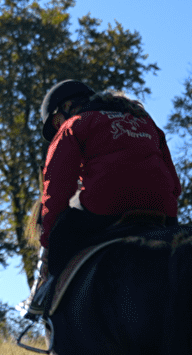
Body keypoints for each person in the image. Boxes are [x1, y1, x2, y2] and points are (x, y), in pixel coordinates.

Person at [23, 79, 181, 319]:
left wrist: (48, 242)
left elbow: (56, 192)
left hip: (105, 205)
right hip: (161, 208)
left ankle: (43, 296)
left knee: (60, 234)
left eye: (56, 123)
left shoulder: (74, 125)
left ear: (65, 109)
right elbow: (175, 184)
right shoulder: (145, 121)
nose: (57, 128)